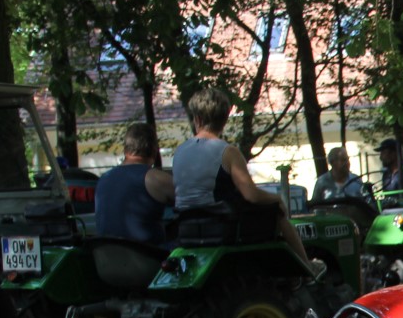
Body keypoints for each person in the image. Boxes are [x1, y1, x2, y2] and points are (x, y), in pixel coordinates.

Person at [172, 86, 309, 262]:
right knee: (277, 210)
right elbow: (251, 195)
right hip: (219, 228)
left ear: (197, 119)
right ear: (224, 120)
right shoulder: (227, 152)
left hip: (185, 228)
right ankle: (306, 265)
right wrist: (276, 199)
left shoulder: (180, 152)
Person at [94, 122, 174, 248]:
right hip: (147, 258)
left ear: (125, 149)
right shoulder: (155, 178)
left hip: (106, 258)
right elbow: (191, 200)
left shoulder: (104, 179)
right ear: (154, 150)